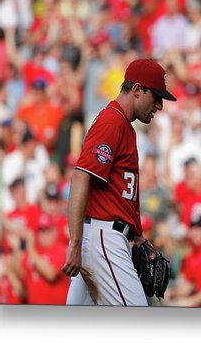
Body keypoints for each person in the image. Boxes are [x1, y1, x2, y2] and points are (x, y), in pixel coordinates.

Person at [61, 58, 176, 306]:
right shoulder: (112, 122)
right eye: (155, 96)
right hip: (103, 239)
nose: (159, 105)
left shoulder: (123, 125)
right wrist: (75, 242)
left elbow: (116, 192)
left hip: (107, 236)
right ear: (136, 90)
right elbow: (80, 177)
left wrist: (136, 235)